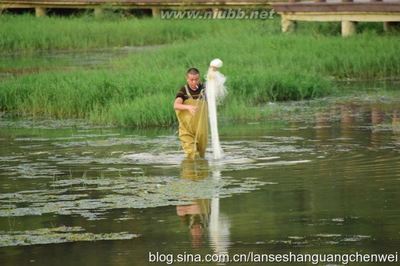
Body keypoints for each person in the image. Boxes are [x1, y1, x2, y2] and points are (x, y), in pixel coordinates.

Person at [174, 68, 208, 159]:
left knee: (201, 157)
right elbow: (176, 105)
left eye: (196, 79)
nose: (194, 82)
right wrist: (188, 107)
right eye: (192, 80)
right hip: (186, 131)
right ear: (187, 79)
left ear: (199, 78)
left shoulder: (204, 89)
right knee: (193, 154)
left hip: (201, 131)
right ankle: (189, 173)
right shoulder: (183, 91)